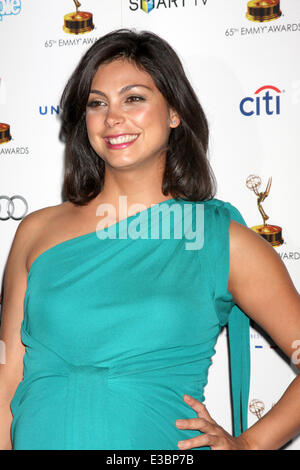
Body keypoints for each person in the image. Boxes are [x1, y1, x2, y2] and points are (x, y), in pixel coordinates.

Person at [1, 28, 300, 450]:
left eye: (134, 98)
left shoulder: (222, 242)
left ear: (175, 111)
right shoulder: (35, 232)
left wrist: (249, 445)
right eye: (97, 103)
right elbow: (7, 377)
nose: (112, 118)